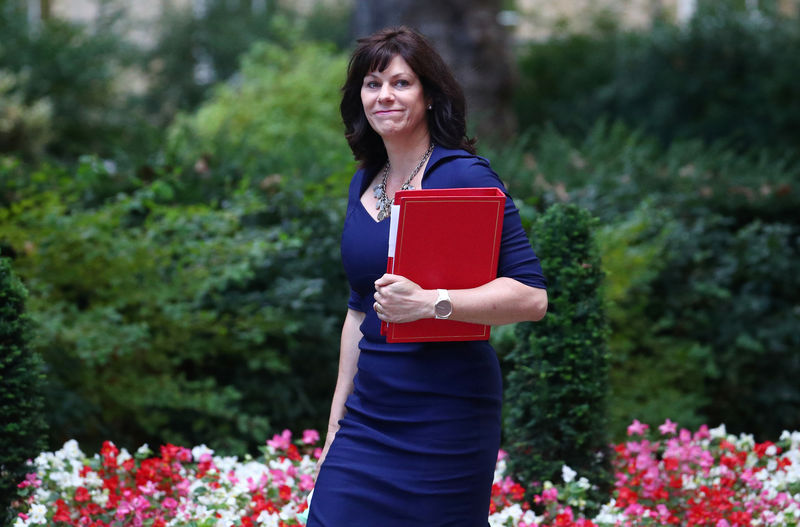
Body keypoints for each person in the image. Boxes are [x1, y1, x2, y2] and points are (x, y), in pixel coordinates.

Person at [307, 26, 547, 527]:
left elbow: (530, 296)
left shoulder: (463, 176)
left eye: (401, 83)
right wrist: (336, 425)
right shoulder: (364, 182)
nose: (384, 96)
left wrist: (434, 302)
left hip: (447, 408)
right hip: (372, 410)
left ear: (430, 96)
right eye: (372, 85)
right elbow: (357, 310)